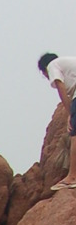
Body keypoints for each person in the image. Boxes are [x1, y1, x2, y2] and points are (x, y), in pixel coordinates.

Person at [38, 52, 76, 188]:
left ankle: (72, 177)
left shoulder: (52, 65)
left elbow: (60, 86)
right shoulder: (69, 64)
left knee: (74, 135)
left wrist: (70, 112)